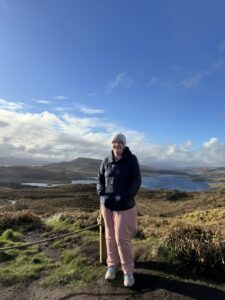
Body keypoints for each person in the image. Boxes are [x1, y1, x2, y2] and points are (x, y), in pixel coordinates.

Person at [97, 133, 141, 287]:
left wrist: (128, 196)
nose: (117, 145)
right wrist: (101, 193)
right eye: (114, 142)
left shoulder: (131, 159)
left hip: (124, 205)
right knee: (109, 236)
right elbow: (100, 179)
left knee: (122, 238)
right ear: (112, 144)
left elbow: (136, 180)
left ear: (124, 145)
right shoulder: (106, 161)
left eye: (120, 143)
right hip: (107, 205)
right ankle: (112, 265)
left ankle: (128, 271)